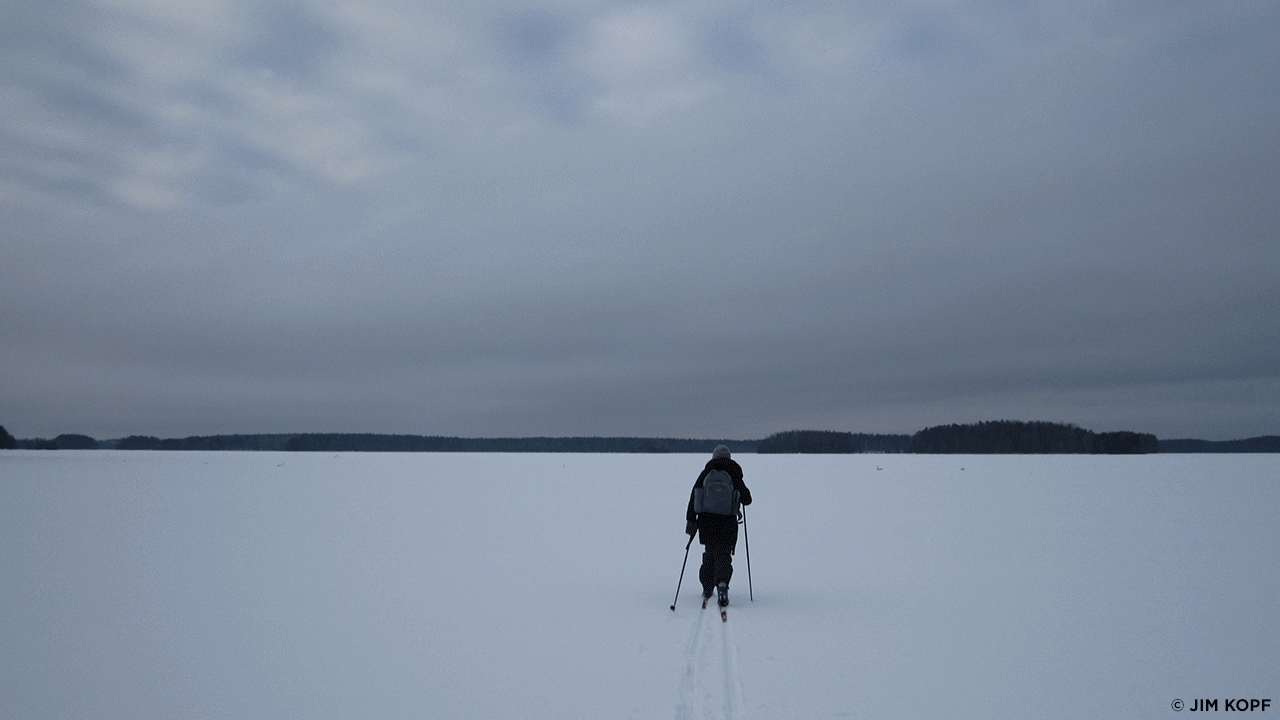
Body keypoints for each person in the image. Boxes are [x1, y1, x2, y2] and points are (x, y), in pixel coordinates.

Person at [686, 445, 752, 607]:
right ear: (729, 458)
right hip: (727, 521)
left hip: (706, 520)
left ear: (713, 457)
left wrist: (691, 520)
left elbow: (694, 496)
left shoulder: (706, 473)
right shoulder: (734, 474)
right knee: (723, 553)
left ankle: (707, 587)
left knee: (709, 552)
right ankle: (722, 585)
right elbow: (747, 499)